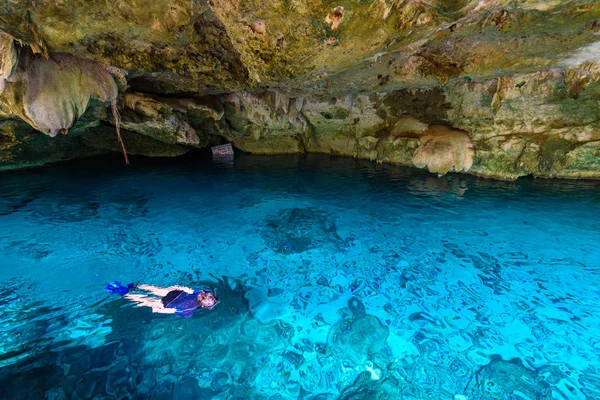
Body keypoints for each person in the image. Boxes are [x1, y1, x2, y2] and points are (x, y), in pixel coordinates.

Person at [106, 282, 218, 318]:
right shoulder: (189, 311)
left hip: (174, 294)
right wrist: (158, 310)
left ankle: (135, 286)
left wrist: (176, 287)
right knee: (144, 300)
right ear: (203, 306)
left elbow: (186, 289)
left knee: (154, 289)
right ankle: (122, 292)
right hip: (168, 303)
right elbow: (172, 311)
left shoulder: (200, 292)